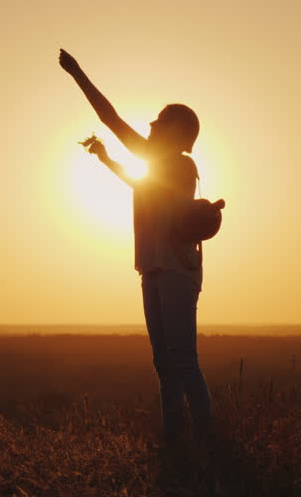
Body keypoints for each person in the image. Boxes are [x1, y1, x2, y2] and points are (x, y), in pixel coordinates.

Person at [58, 48, 211, 446]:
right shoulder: (161, 165)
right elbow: (142, 186)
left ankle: (208, 439)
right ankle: (175, 440)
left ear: (176, 132)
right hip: (154, 269)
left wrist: (77, 72)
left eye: (159, 120)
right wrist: (107, 160)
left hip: (176, 271)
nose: (150, 124)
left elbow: (110, 118)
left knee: (182, 359)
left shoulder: (178, 165)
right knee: (165, 363)